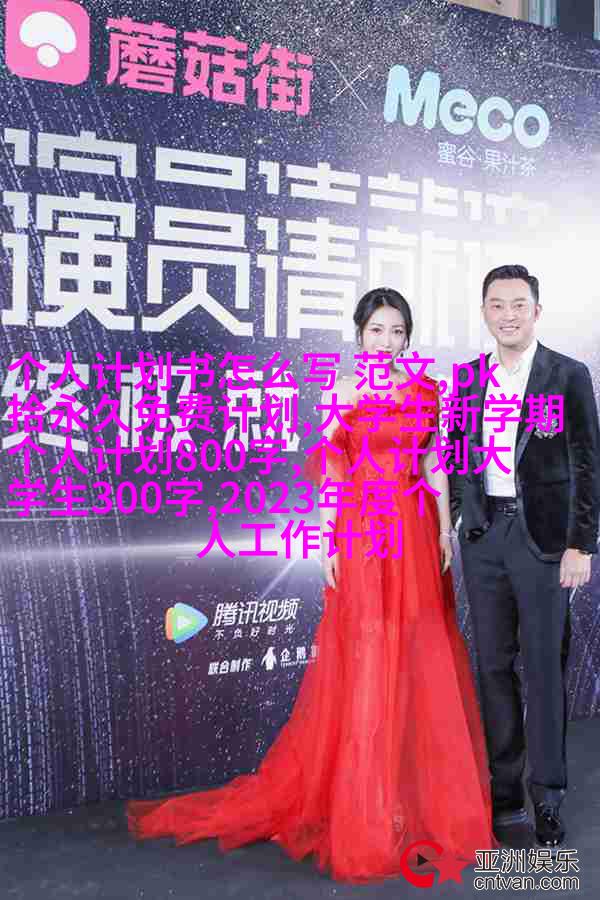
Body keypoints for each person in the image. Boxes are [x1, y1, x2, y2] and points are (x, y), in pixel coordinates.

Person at [127, 287, 497, 883]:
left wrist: (443, 531)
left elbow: (433, 463)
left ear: (408, 336)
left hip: (415, 531)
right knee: (367, 658)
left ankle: (413, 800)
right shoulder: (341, 392)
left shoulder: (430, 391)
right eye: (377, 330)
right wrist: (328, 543)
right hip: (362, 533)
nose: (387, 341)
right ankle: (368, 807)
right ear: (359, 334)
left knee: (418, 656)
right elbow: (332, 473)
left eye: (397, 331)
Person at [447, 264, 600, 849]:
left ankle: (548, 796)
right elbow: (457, 454)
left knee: (542, 668)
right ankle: (505, 792)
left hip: (545, 543)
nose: (507, 315)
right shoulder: (467, 378)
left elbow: (587, 463)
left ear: (536, 311)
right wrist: (462, 516)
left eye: (518, 304)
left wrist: (581, 544)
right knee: (492, 667)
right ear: (484, 311)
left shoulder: (567, 374)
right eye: (496, 304)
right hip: (486, 539)